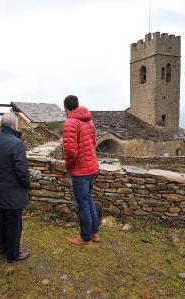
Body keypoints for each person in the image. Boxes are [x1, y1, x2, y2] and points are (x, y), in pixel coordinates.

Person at [0, 113, 30, 262]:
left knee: (3, 221)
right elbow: (22, 171)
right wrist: (27, 186)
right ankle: (12, 254)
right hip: (13, 192)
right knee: (14, 224)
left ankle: (3, 248)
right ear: (14, 125)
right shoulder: (16, 143)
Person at [63, 95, 100, 247]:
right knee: (89, 199)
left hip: (80, 170)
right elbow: (93, 142)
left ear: (65, 108)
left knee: (82, 204)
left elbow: (70, 151)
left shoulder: (70, 122)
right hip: (92, 166)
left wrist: (69, 165)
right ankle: (95, 233)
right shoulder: (89, 120)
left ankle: (85, 239)